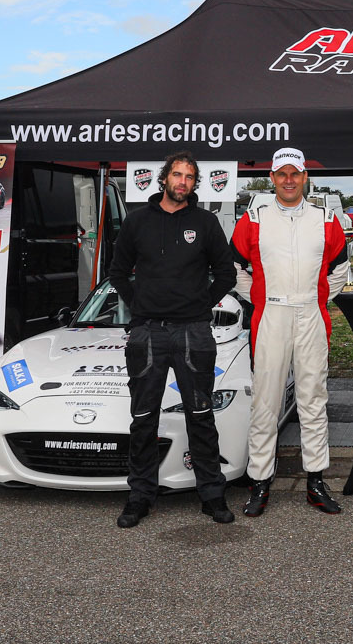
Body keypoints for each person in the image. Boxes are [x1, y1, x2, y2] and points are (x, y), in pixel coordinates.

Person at [107, 151, 237, 528]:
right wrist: (139, 306)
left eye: (189, 177)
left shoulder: (206, 222)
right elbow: (117, 272)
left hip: (193, 331)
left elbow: (226, 274)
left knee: (201, 414)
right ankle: (140, 496)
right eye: (177, 175)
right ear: (164, 178)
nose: (182, 182)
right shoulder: (137, 222)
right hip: (147, 332)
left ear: (195, 184)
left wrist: (200, 304)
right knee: (143, 418)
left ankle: (211, 495)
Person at [230, 146, 350, 516]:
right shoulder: (254, 217)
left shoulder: (325, 218)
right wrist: (261, 298)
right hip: (271, 314)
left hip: (311, 314)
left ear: (304, 177)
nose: (288, 180)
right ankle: (260, 481)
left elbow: (340, 269)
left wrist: (317, 299)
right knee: (265, 401)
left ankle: (315, 481)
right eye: (281, 174)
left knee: (313, 399)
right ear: (272, 178)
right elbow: (235, 268)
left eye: (294, 173)